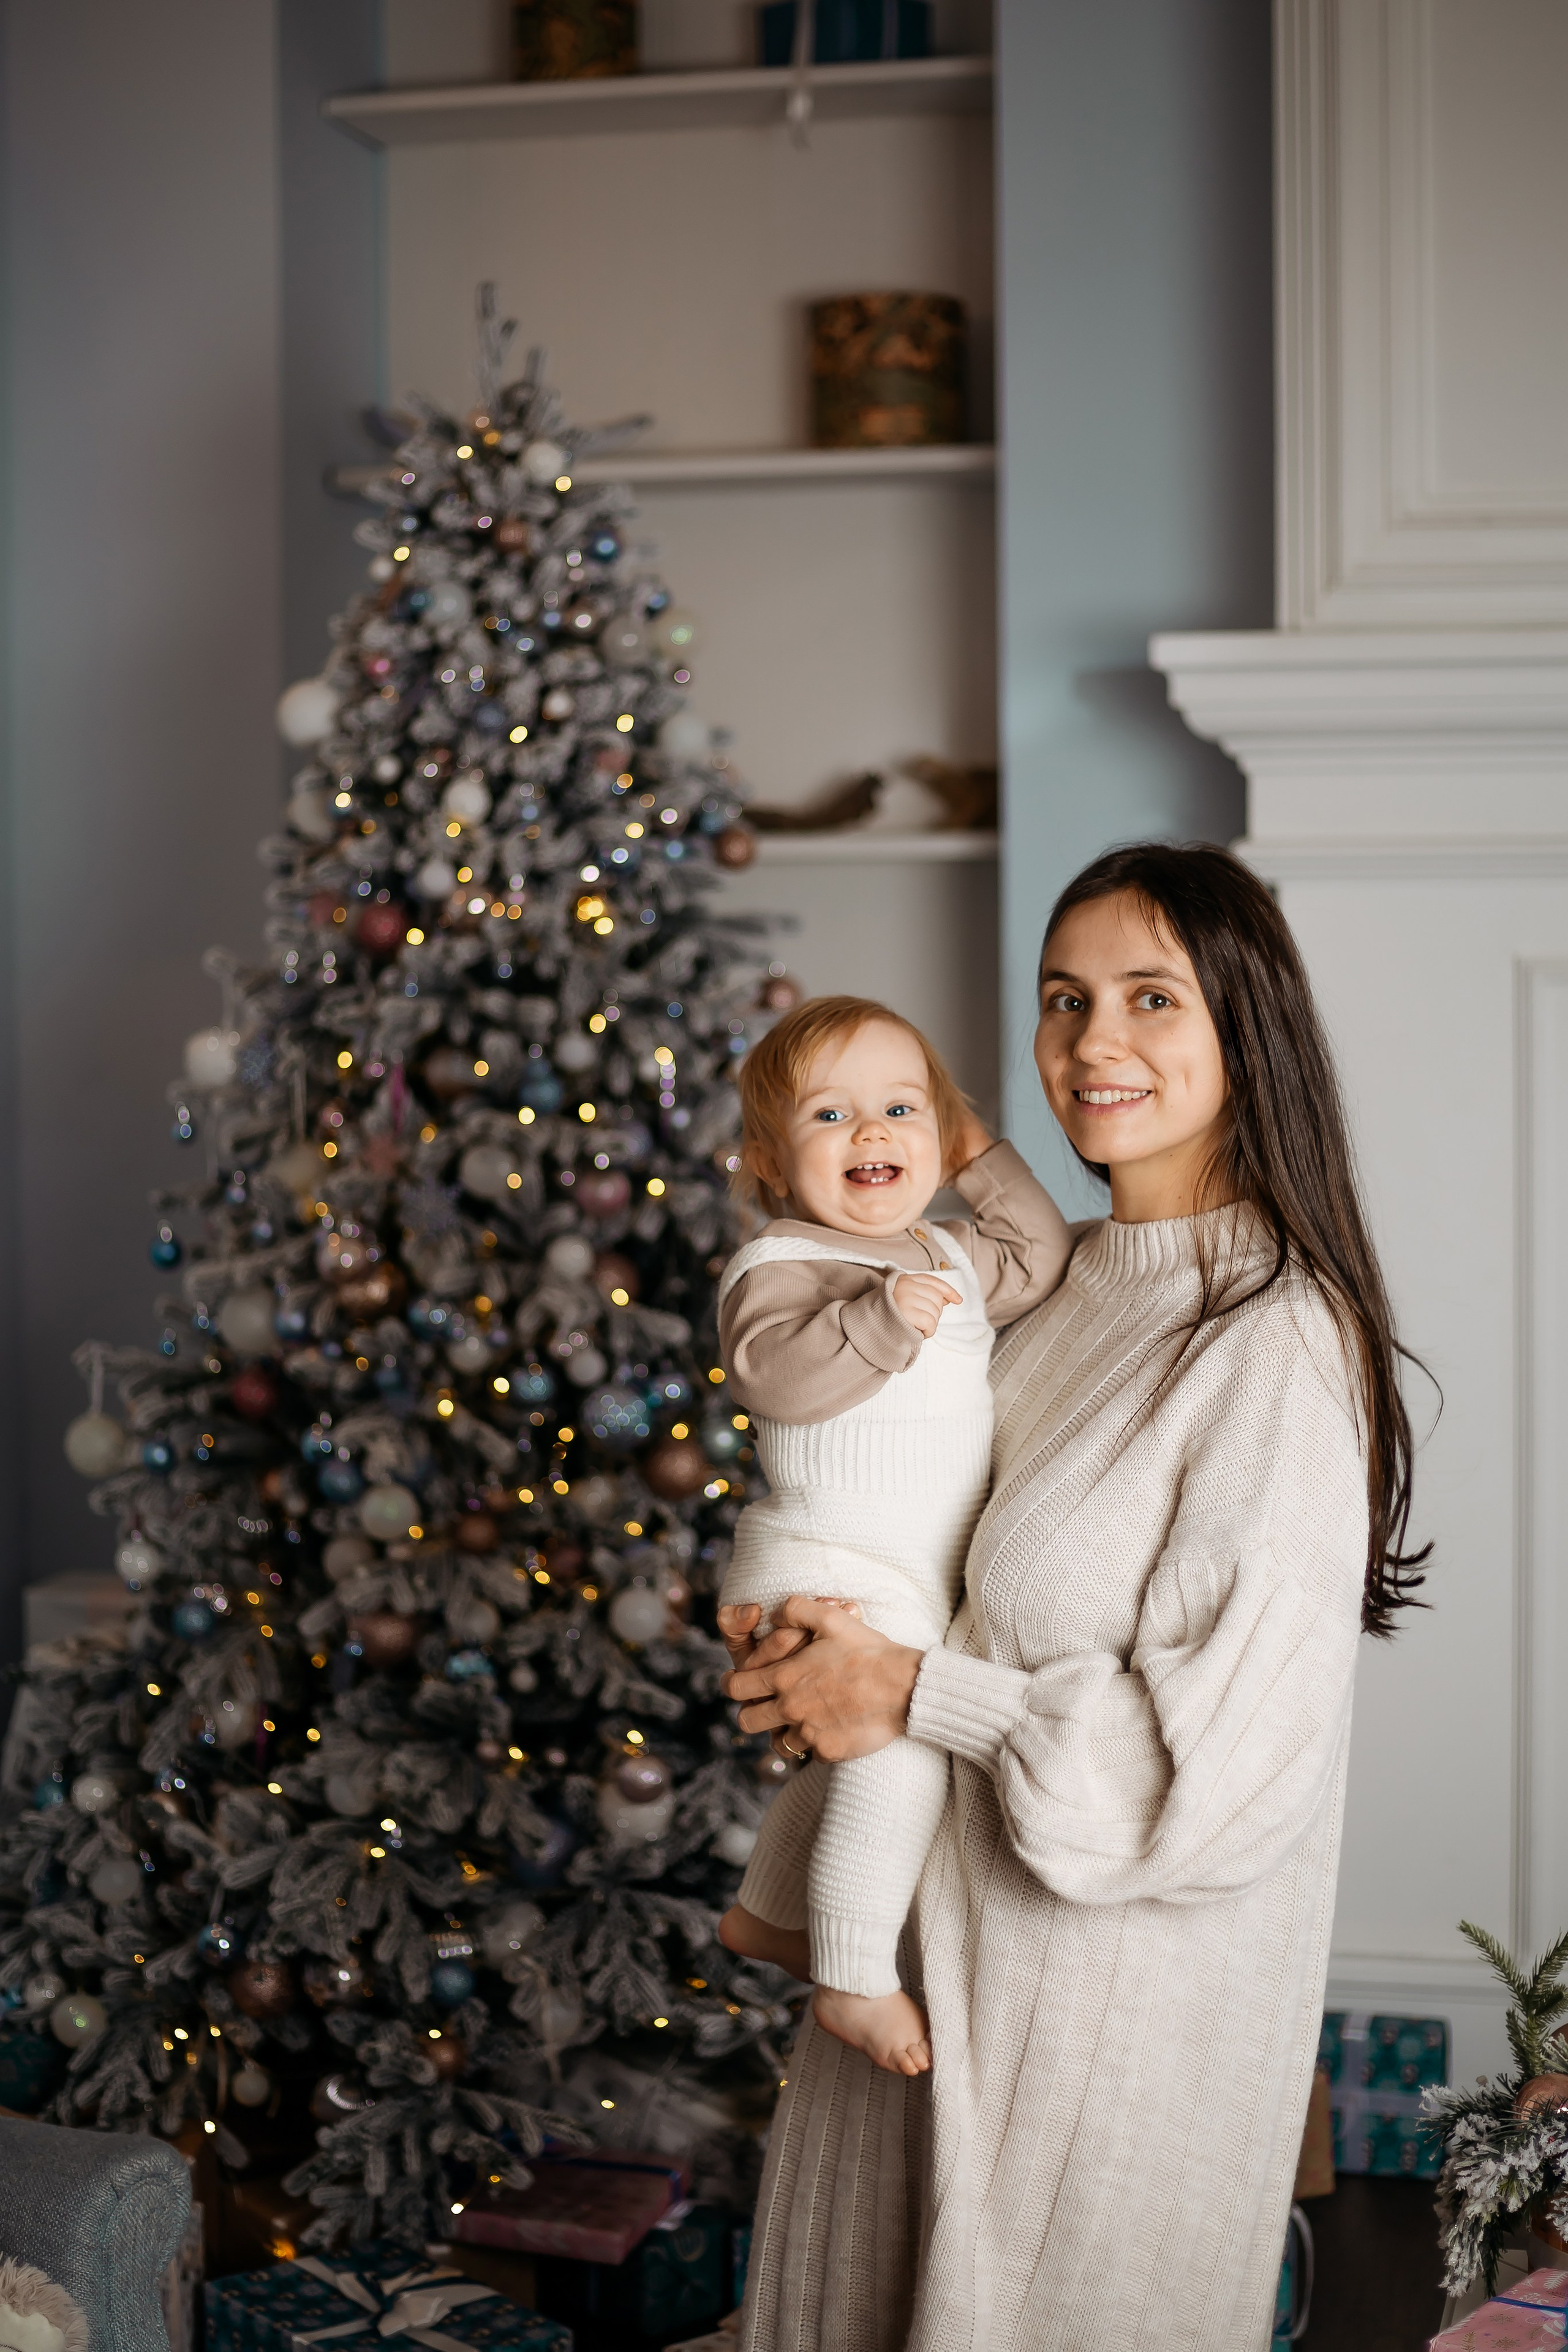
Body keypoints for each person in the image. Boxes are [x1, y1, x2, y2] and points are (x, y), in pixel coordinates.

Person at [722, 843, 1429, 2352]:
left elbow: (1220, 1776)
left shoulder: (1280, 1346)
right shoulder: (1046, 1285)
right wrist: (811, 1632)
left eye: (1148, 998)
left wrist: (907, 1690)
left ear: (1246, 1030)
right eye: (1063, 1000)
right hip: (909, 2003)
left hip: (1088, 2070)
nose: (1092, 1043)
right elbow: (921, 1550)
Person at [712, 995, 1071, 2075]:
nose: (873, 1135)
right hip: (827, 1558)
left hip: (905, 1571)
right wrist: (874, 1320)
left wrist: (976, 1151)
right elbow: (769, 1372)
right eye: (831, 1117)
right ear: (771, 1161)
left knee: (850, 1756)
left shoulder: (948, 1254)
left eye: (902, 1109)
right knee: (899, 1763)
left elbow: (1041, 1252)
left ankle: (768, 1913)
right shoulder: (779, 1259)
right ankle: (854, 1978)